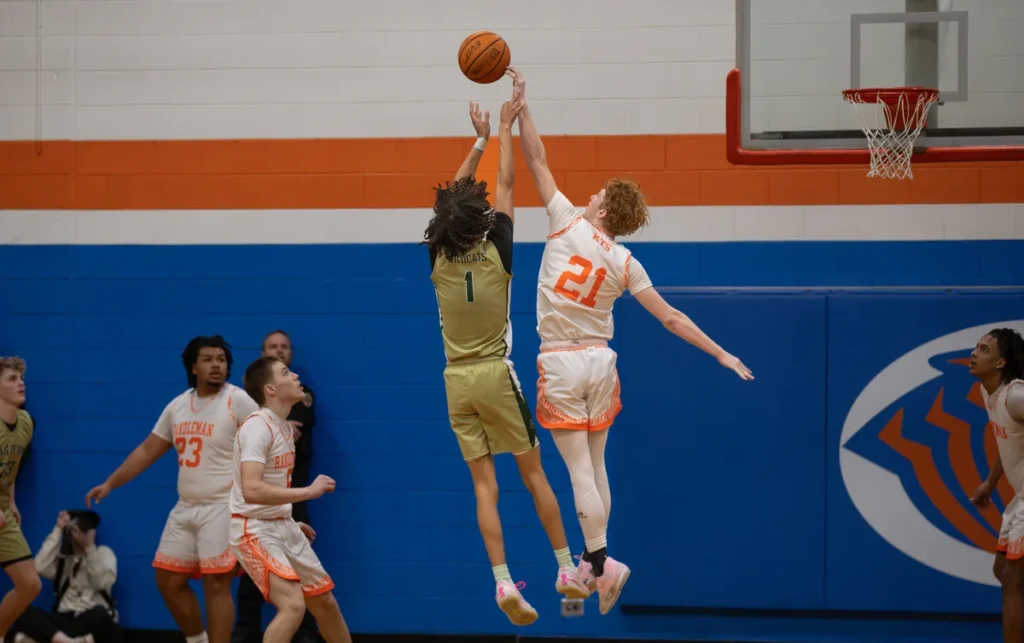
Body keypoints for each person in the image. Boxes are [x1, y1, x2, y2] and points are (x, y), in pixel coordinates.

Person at [510, 65, 755, 615]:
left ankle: (598, 565)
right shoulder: (626, 261)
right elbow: (670, 319)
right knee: (596, 468)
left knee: (577, 472)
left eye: (596, 193)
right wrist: (720, 352)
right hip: (602, 361)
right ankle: (602, 561)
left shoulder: (565, 221)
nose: (590, 193)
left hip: (563, 362)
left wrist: (523, 106)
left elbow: (536, 160)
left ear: (599, 209)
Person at [422, 88, 589, 627]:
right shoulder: (498, 249)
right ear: (483, 219)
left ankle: (500, 581)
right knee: (534, 474)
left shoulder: (439, 255)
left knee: (483, 486)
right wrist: (507, 130)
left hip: (455, 379)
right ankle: (565, 568)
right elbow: (511, 183)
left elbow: (447, 199)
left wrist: (476, 139)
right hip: (496, 373)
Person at [84, 336, 259, 643]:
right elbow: (147, 450)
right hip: (187, 505)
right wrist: (111, 482)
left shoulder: (238, 400)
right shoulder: (178, 406)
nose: (216, 364)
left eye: (221, 359)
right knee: (167, 579)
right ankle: (197, 640)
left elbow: (264, 442)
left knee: (216, 583)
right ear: (193, 367)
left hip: (223, 504)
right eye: (208, 359)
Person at [231, 355, 350, 643]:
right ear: (270, 389)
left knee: (326, 605)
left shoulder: (283, 427)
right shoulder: (257, 426)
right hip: (252, 529)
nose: (296, 376)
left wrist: (289, 519)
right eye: (286, 372)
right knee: (293, 606)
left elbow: (270, 489)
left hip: (280, 524)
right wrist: (307, 492)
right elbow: (252, 490)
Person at [233, 330, 319, 643]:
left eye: (285, 347)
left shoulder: (301, 394)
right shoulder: (256, 421)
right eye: (273, 347)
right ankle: (245, 631)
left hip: (289, 500)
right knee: (264, 584)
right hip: (258, 511)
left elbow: (296, 427)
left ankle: (306, 633)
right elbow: (253, 487)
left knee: (313, 588)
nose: (280, 351)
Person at [967, 328, 1024, 643]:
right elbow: (1013, 444)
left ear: (1001, 362)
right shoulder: (988, 393)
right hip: (1021, 497)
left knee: (1014, 580)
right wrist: (990, 482)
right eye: (976, 347)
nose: (975, 353)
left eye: (984, 349)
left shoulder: (1016, 395)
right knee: (1002, 573)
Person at [10, 509, 122, 643]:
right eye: (74, 529)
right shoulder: (64, 560)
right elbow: (39, 567)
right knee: (20, 608)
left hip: (91, 619)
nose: (78, 533)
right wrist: (58, 530)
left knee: (100, 614)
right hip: (64, 619)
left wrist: (89, 547)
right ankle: (70, 641)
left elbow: (101, 583)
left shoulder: (104, 553)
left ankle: (55, 639)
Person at [0, 357, 41, 640]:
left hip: (3, 509)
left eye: (21, 378)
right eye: (12, 379)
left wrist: (11, 500)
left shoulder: (25, 423)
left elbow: (11, 468)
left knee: (30, 584)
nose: (20, 383)